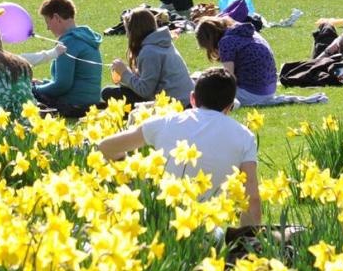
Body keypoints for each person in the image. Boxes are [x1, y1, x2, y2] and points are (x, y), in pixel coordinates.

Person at [97, 68, 261, 224]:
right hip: (206, 226)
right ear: (230, 106)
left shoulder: (164, 123)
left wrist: (132, 180)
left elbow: (105, 147)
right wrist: (248, 247)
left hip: (159, 220)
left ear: (192, 99)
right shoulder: (245, 136)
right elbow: (251, 198)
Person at [102, 8, 194, 106]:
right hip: (186, 99)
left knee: (108, 92)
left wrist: (124, 73)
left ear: (134, 31)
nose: (127, 36)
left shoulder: (149, 51)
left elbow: (145, 91)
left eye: (127, 31)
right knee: (116, 91)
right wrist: (128, 73)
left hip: (175, 105)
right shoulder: (161, 42)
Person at [32, 0, 103, 116]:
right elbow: (72, 81)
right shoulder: (84, 37)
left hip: (74, 105)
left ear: (57, 18)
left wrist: (34, 89)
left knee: (23, 92)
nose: (48, 28)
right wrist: (42, 83)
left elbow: (61, 85)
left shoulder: (68, 43)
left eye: (47, 21)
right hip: (91, 103)